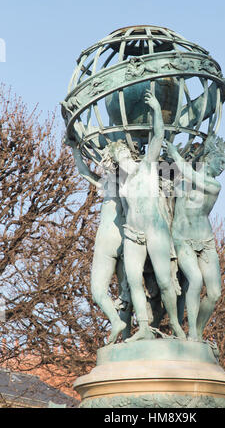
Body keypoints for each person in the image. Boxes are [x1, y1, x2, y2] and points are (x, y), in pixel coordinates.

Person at [105, 90, 186, 342]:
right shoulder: (121, 183)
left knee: (164, 281)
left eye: (124, 154)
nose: (122, 157)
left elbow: (159, 135)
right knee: (133, 281)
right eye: (119, 156)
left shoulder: (148, 165)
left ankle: (175, 324)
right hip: (133, 234)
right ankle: (142, 327)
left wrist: (156, 108)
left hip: (156, 231)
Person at [165, 134, 225, 341]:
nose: (223, 167)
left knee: (214, 293)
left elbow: (192, 176)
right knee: (195, 280)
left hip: (205, 242)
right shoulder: (181, 178)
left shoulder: (213, 185)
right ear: (209, 157)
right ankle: (193, 334)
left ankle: (199, 330)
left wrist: (176, 154)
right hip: (182, 238)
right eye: (220, 161)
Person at [64, 136, 131, 344]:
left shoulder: (109, 183)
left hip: (107, 238)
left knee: (98, 291)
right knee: (125, 292)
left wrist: (75, 148)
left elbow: (84, 172)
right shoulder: (134, 183)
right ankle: (128, 337)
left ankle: (116, 321)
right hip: (127, 239)